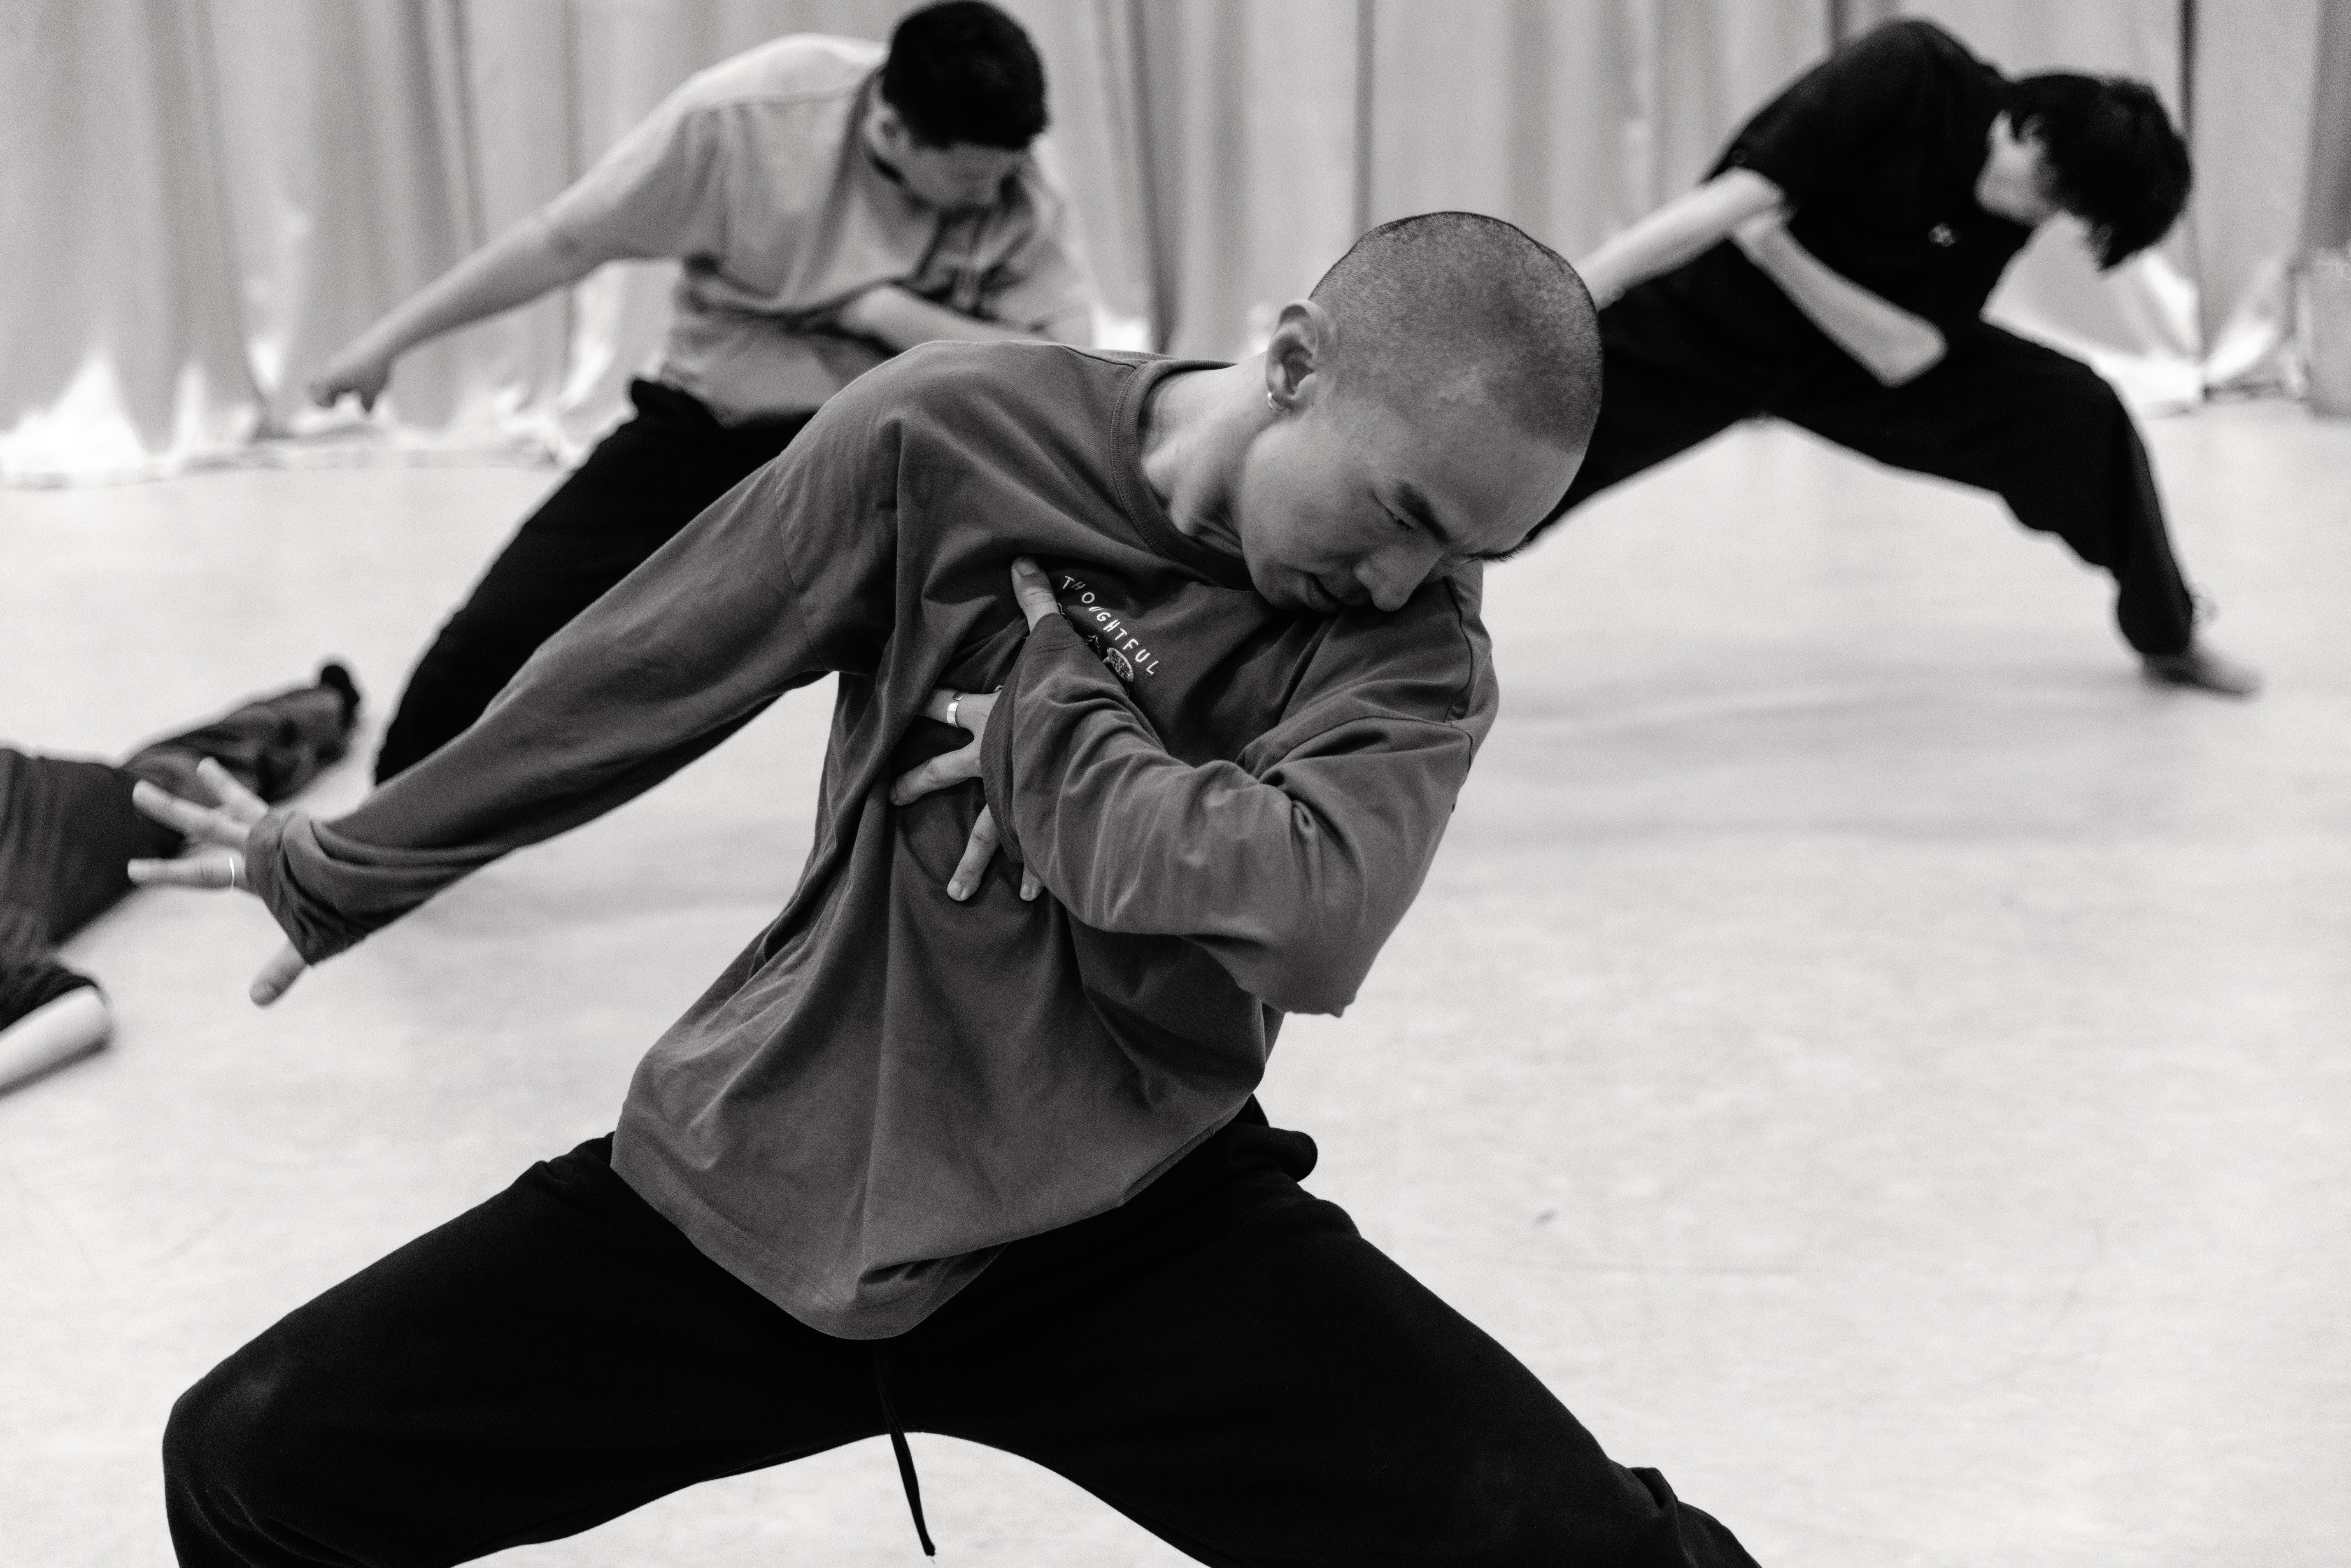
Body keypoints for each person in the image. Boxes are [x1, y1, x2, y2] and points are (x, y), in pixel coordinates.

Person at [134, 213, 1755, 1567]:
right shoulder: (952, 432)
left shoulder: (1413, 648)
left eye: (1476, 550)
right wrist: (342, 862)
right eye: (1404, 512)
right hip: (766, 1170)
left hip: (1130, 1219)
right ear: (1292, 363)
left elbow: (1308, 914)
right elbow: (655, 659)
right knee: (250, 1461)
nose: (1409, 580)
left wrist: (1054, 722)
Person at [310, 0, 1098, 783]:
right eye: (967, 182)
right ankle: (382, 827)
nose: (987, 200)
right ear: (893, 130)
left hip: (883, 452)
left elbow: (1063, 372)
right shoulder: (747, 120)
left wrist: (880, 311)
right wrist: (387, 343)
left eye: (999, 179)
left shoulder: (1015, 173)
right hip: (712, 424)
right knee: (507, 625)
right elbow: (566, 239)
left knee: (1027, 614)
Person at [1556, 16, 2258, 696]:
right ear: (2029, 129)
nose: (2039, 217)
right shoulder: (1906, 72)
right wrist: (1562, 298)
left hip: (1848, 364)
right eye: (2049, 194)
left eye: (2063, 213)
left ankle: (2168, 636)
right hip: (1706, 328)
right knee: (1531, 459)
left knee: (2081, 414)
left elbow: (1905, 355)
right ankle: (1440, 595)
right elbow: (1725, 207)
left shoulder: (2009, 205)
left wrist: (1781, 253)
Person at [0, 666, 358, 1093]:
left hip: (99, 807)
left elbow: (82, 1009)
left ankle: (331, 703)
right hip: (40, 800)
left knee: (219, 771)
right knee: (191, 765)